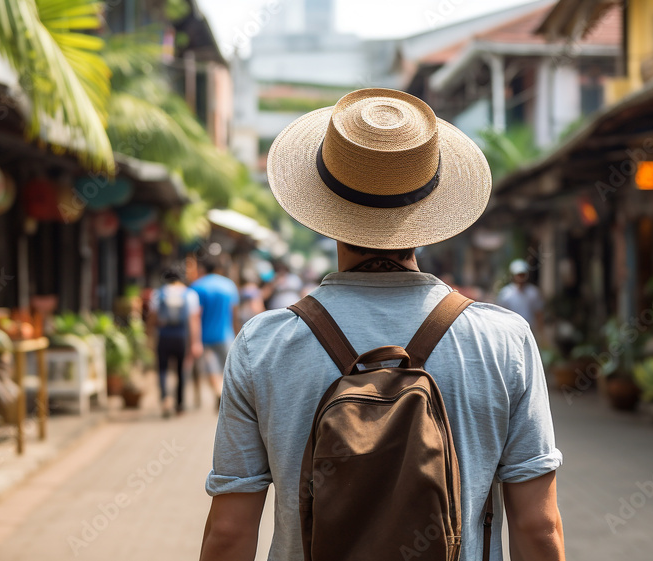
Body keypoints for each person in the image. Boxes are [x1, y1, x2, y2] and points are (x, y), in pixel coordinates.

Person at [200, 89, 564, 561]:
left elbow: (230, 533)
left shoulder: (264, 344)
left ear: (325, 209)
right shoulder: (502, 340)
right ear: (430, 208)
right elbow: (539, 527)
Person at [147, 265, 201, 418]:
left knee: (163, 369)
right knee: (180, 370)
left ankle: (165, 399)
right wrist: (195, 341)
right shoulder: (190, 294)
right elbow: (193, 320)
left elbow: (153, 317)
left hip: (164, 336)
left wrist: (149, 334)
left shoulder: (158, 294)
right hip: (181, 336)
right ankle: (180, 404)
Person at [190, 257, 240, 409]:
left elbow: (194, 316)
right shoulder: (228, 285)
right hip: (226, 334)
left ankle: (218, 393)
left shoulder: (197, 286)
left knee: (210, 368)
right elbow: (234, 313)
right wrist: (238, 333)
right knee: (229, 369)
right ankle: (227, 396)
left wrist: (193, 340)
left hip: (204, 336)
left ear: (203, 269)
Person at [497, 259, 545, 332]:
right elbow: (501, 314)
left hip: (530, 331)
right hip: (512, 331)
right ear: (513, 275)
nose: (521, 277)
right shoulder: (505, 293)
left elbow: (538, 313)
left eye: (523, 275)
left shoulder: (533, 292)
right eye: (518, 275)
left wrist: (541, 332)